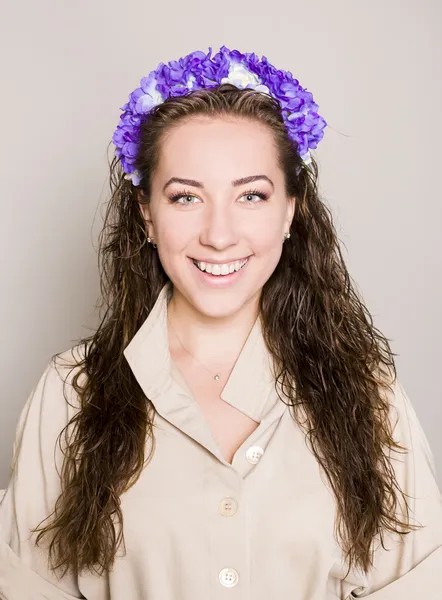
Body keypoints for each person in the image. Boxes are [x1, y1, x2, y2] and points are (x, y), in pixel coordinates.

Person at [0, 45, 441, 600]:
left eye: (251, 195)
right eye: (186, 197)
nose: (219, 233)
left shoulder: (369, 392)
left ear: (290, 211)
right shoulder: (70, 394)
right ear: (147, 215)